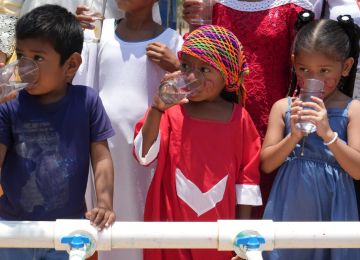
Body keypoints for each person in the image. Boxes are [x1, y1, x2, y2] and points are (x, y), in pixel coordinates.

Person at [134, 25, 262, 260]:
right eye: (185, 67)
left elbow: (247, 181)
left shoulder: (240, 119)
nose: (192, 77)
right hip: (171, 229)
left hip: (219, 234)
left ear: (228, 76)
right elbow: (144, 154)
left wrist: (242, 237)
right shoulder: (171, 112)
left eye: (204, 69)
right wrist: (157, 108)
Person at [0, 4, 116, 259]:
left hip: (70, 231)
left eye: (38, 58)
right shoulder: (10, 105)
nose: (25, 67)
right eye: (20, 55)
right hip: (13, 230)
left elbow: (102, 157)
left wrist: (104, 203)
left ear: (71, 64)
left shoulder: (87, 101)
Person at [183, 0, 313, 219]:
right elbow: (197, 56)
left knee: (266, 191)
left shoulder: (291, 8)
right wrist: (193, 27)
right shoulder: (212, 6)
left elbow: (302, 67)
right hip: (222, 118)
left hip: (272, 120)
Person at [76, 0, 183, 260]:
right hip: (102, 146)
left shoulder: (172, 41)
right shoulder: (100, 33)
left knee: (142, 208)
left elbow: (187, 92)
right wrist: (74, 32)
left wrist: (177, 66)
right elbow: (80, 77)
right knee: (103, 212)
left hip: (146, 149)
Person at [261, 11, 360, 259]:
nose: (314, 79)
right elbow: (266, 164)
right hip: (290, 205)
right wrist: (293, 136)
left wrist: (329, 134)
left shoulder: (354, 110)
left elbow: (357, 169)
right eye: (304, 69)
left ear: (346, 67)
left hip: (334, 208)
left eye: (325, 70)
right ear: (294, 63)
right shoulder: (283, 108)